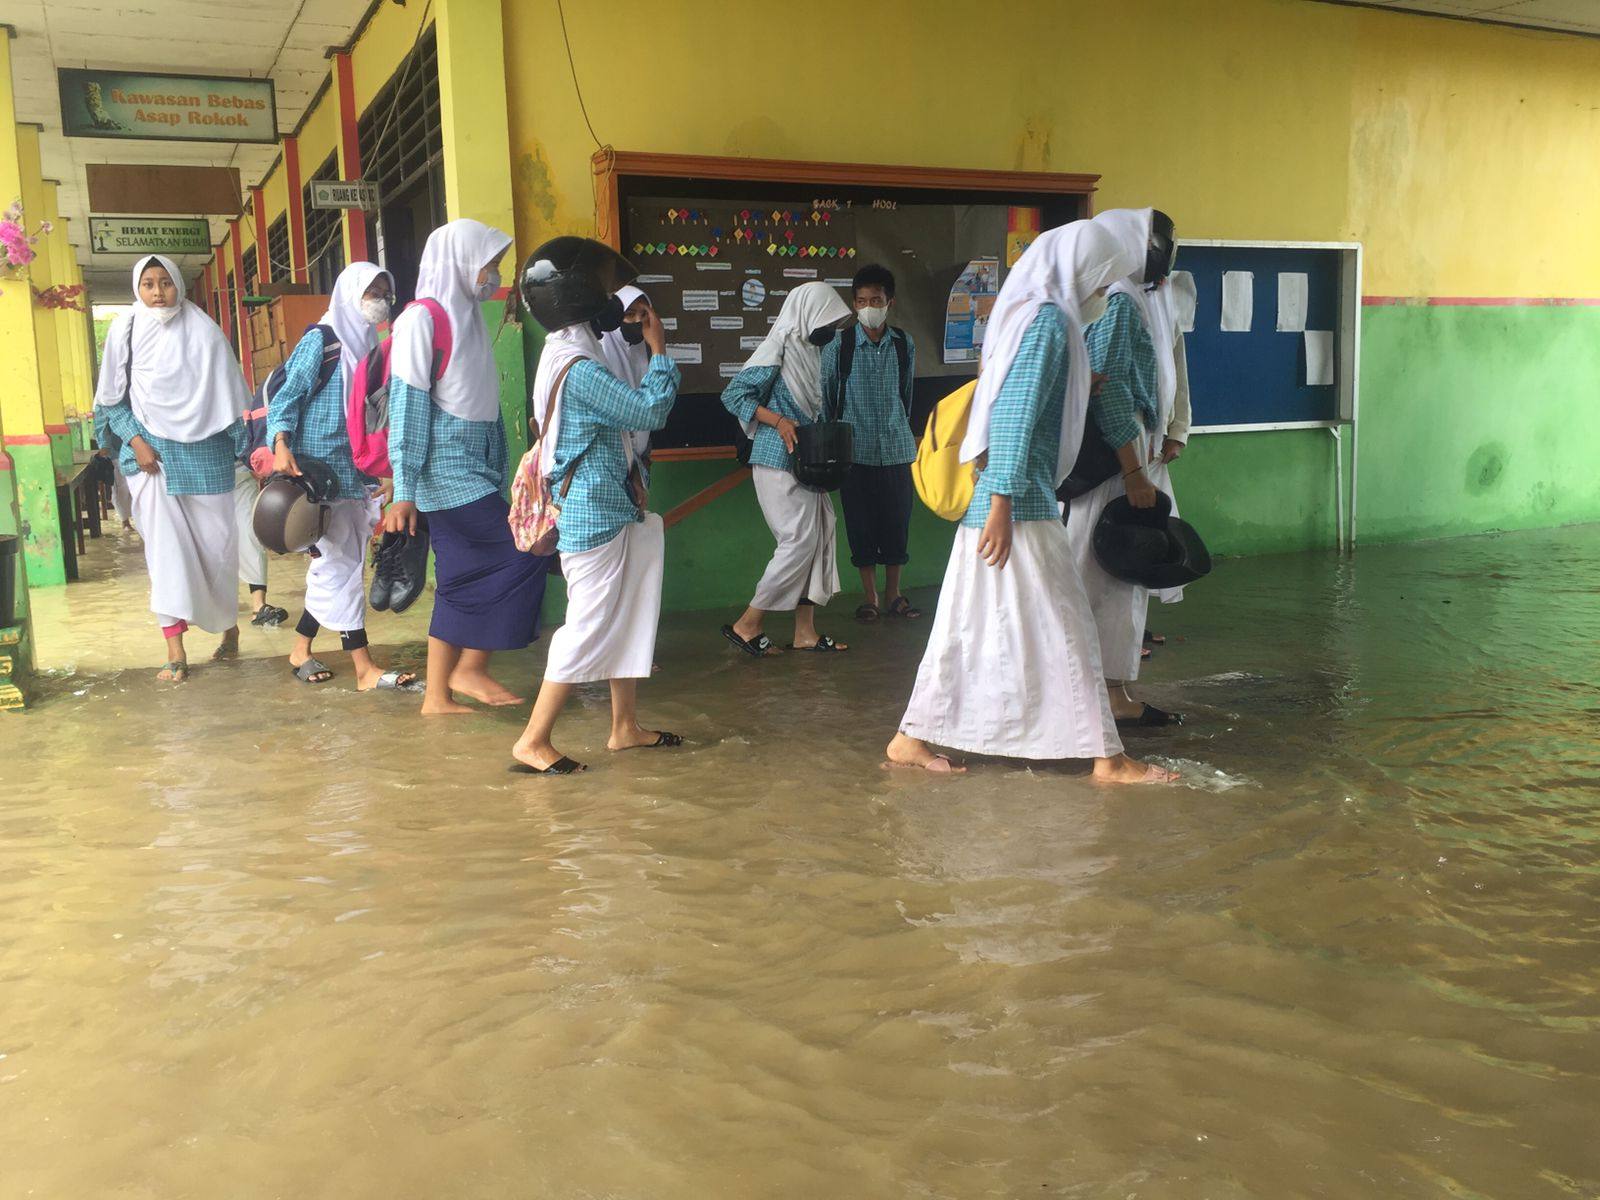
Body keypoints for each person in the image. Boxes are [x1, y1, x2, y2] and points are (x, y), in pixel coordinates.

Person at [884, 221, 1176, 785]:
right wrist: (1002, 503)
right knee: (1070, 629)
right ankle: (1108, 760)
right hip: (1019, 508)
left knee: (962, 629)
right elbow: (1014, 417)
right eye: (1100, 281)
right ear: (1078, 271)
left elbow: (1027, 404)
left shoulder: (1034, 316)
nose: (1104, 295)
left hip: (1005, 504)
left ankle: (909, 739)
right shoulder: (1048, 322)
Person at [510, 238, 683, 774]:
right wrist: (658, 349)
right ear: (581, 297)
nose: (618, 303)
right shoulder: (580, 369)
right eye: (607, 291)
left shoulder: (563, 349)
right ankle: (534, 739)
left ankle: (624, 726)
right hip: (593, 511)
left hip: (611, 504)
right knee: (586, 625)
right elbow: (649, 410)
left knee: (629, 609)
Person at [383, 219, 551, 715]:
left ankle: (436, 698)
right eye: (488, 264)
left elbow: (486, 406)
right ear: (459, 262)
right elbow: (408, 409)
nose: (494, 275)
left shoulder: (471, 319)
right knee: (527, 549)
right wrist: (405, 488)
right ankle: (471, 667)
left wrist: (503, 471)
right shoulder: (420, 320)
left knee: (457, 579)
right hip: (443, 473)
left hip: (473, 470)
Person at [92, 255, 249, 682]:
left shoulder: (205, 332)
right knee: (166, 556)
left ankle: (229, 629)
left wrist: (253, 454)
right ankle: (175, 651)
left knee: (218, 552)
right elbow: (111, 400)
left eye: (165, 282)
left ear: (179, 285)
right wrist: (137, 441)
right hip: (152, 460)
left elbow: (232, 401)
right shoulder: (125, 332)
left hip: (208, 460)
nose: (158, 291)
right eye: (148, 283)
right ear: (137, 289)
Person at [268, 261, 419, 692]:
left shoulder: (371, 343)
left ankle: (300, 648)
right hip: (316, 473)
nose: (380, 301)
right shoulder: (323, 340)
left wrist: (385, 470)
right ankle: (363, 667)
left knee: (342, 564)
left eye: (385, 293)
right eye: (371, 292)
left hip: (355, 471)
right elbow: (289, 395)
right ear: (351, 293)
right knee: (340, 566)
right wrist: (281, 443)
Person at [1066, 208, 1182, 730]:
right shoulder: (1119, 302)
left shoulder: (1149, 299)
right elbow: (1108, 389)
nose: (1158, 251)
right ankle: (1107, 696)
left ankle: (1108, 689)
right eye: (1149, 241)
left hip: (1136, 454)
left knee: (1119, 579)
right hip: (1118, 461)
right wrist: (1133, 471)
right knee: (1109, 575)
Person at [719, 281, 855, 657]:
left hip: (809, 461)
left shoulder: (813, 353)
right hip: (776, 459)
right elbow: (734, 396)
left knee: (817, 539)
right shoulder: (776, 347)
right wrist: (778, 421)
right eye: (826, 320)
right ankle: (748, 623)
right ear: (806, 314)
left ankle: (805, 633)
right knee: (798, 542)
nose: (829, 330)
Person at [824, 264, 921, 622]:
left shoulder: (903, 344)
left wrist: (899, 426)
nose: (869, 306)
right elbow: (827, 394)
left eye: (876, 299)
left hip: (896, 450)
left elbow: (907, 395)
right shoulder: (841, 345)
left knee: (897, 524)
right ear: (854, 304)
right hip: (856, 453)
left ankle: (895, 594)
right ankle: (871, 599)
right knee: (861, 526)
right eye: (862, 300)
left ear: (889, 302)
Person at [1141, 269, 1194, 634]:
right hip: (1124, 453)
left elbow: (1178, 375)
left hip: (1155, 449)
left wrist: (1178, 431)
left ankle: (1135, 626)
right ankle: (1120, 632)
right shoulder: (1116, 309)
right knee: (1120, 539)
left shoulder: (1165, 314)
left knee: (1150, 540)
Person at [597, 284, 657, 487]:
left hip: (638, 459)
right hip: (609, 465)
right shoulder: (599, 353)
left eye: (644, 314)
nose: (638, 321)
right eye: (630, 315)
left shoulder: (642, 351)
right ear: (614, 317)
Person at [235, 399, 288, 628]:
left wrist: (253, 460)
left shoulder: (235, 390)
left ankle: (259, 606)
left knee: (249, 532)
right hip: (196, 476)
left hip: (239, 471)